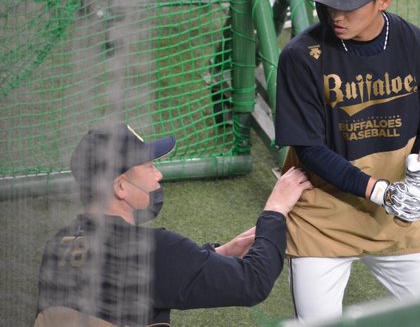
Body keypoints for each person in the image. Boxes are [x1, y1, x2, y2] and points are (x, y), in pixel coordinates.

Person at [275, 0, 420, 321]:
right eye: (328, 2)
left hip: (394, 220)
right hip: (323, 221)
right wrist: (380, 191)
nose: (335, 15)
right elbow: (309, 150)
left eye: (348, 4)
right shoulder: (302, 57)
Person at [35, 123, 311, 326]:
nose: (159, 175)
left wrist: (215, 255)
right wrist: (275, 210)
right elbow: (253, 282)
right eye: (149, 166)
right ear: (120, 187)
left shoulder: (58, 244)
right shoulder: (152, 251)